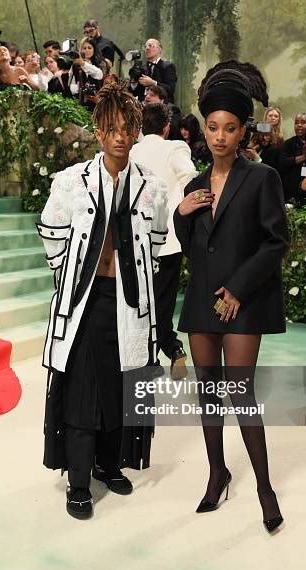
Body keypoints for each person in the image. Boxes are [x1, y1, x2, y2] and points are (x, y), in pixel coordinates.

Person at [36, 81, 168, 519]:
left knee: (120, 384)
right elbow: (51, 232)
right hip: (86, 301)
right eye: (110, 127)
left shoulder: (151, 187)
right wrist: (72, 278)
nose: (119, 136)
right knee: (82, 389)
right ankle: (78, 481)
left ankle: (109, 465)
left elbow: (158, 237)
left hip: (129, 303)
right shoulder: (73, 181)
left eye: (127, 127)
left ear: (136, 131)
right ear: (97, 131)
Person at [173, 61, 288, 533]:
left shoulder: (262, 179)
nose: (220, 137)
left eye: (231, 129)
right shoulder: (194, 186)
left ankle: (264, 486)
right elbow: (190, 245)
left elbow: (276, 240)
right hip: (202, 301)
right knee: (210, 394)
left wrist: (239, 289)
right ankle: (217, 472)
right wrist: (181, 214)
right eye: (213, 128)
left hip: (242, 301)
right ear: (205, 128)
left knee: (240, 394)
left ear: (243, 132)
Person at [131, 103, 196, 379]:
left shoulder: (130, 150)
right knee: (163, 299)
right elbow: (190, 175)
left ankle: (157, 352)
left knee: (139, 300)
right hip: (168, 239)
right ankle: (168, 349)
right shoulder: (175, 148)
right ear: (166, 126)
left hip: (134, 237)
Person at [279, 113, 306, 204]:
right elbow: (282, 163)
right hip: (290, 189)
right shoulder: (288, 143)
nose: (299, 125)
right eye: (296, 123)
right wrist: (303, 157)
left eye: (303, 122)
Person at [131, 38, 177, 104]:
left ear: (159, 49)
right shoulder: (141, 69)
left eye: (150, 46)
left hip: (163, 108)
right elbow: (134, 93)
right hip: (143, 108)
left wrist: (153, 83)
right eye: (145, 46)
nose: (147, 48)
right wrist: (134, 81)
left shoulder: (168, 66)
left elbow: (170, 89)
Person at [70, 37, 104, 109]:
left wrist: (83, 64)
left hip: (97, 103)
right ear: (80, 50)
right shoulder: (75, 65)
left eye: (89, 48)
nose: (87, 50)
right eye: (84, 48)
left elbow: (99, 75)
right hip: (81, 103)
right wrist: (77, 89)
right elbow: (71, 82)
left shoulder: (100, 63)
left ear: (94, 49)